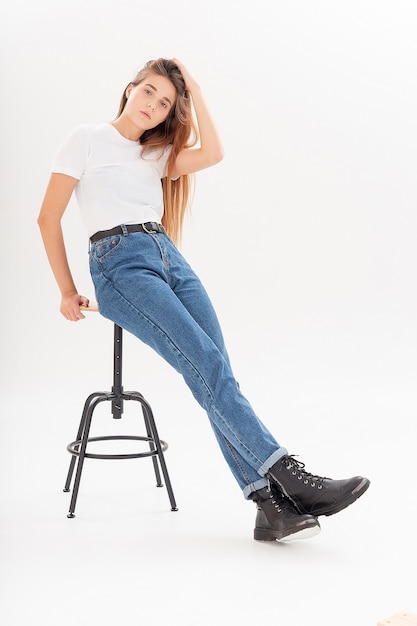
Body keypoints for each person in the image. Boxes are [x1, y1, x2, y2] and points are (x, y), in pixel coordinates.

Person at [38, 57, 370, 543]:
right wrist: (67, 290)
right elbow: (48, 217)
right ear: (129, 89)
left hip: (167, 256)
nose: (153, 104)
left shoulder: (157, 154)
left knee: (217, 370)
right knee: (209, 369)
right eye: (148, 91)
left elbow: (213, 153)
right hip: (119, 262)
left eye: (166, 101)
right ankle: (290, 477)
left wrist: (194, 87)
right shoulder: (86, 138)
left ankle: (268, 507)